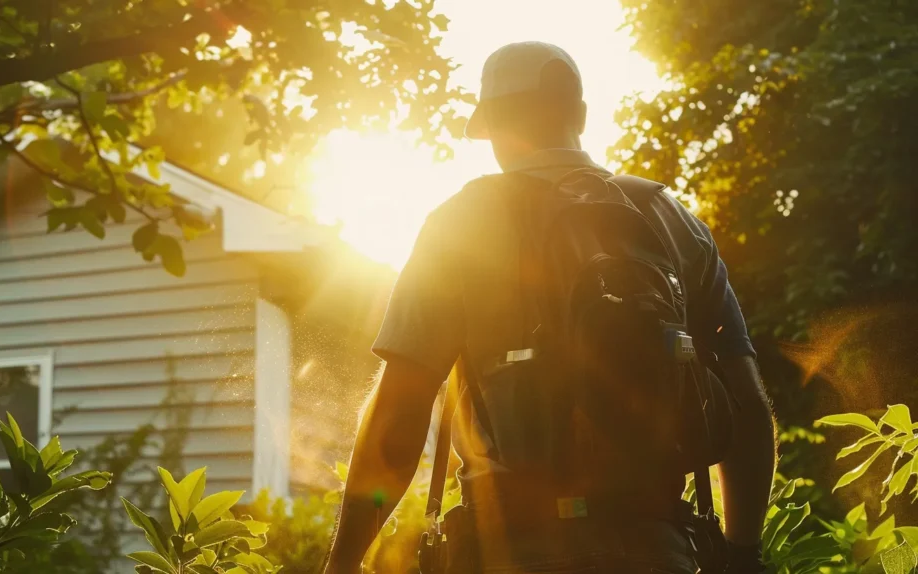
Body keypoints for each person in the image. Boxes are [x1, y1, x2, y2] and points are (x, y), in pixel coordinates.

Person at [323, 42, 776, 574]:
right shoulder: (670, 219)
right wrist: (742, 556)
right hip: (656, 548)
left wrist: (344, 563)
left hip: (509, 551)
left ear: (490, 124)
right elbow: (745, 407)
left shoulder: (462, 223)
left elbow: (400, 412)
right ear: (580, 115)